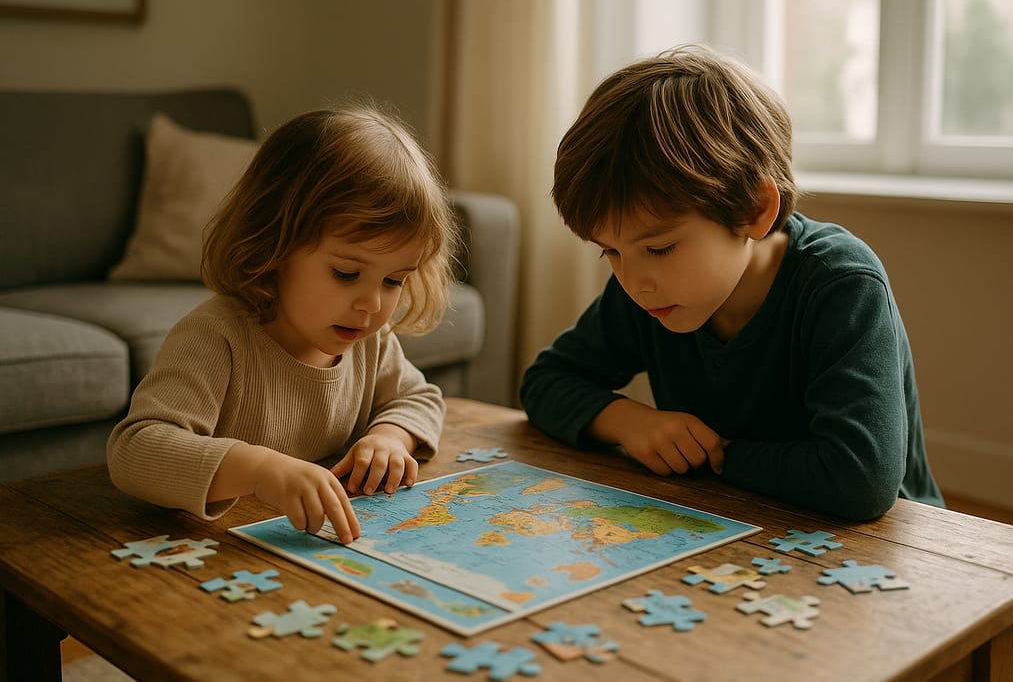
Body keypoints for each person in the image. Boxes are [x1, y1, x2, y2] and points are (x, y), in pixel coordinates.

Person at [520, 44, 944, 521]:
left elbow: (860, 480)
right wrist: (626, 422)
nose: (634, 282)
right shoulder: (649, 291)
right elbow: (544, 382)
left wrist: (717, 456)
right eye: (610, 252)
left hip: (889, 545)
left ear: (754, 210)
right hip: (732, 522)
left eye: (660, 249)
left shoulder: (841, 285)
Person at [108, 102, 460, 543]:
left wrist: (390, 437)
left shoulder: (371, 341)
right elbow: (135, 450)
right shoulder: (216, 337)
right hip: (213, 548)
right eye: (346, 273)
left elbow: (419, 397)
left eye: (393, 281)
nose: (371, 304)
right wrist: (259, 469)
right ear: (273, 245)